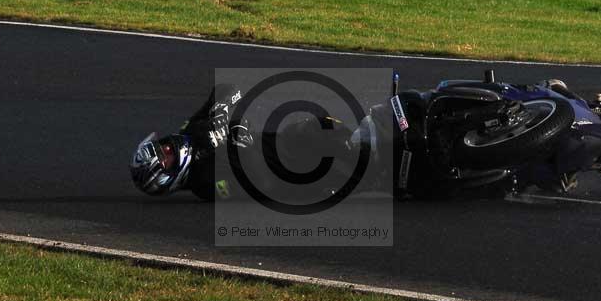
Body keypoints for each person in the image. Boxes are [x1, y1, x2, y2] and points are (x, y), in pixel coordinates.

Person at [130, 84, 453, 201]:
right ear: (167, 176)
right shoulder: (205, 185)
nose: (169, 146)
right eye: (167, 155)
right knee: (350, 162)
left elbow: (227, 89)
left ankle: (429, 112)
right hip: (298, 176)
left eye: (164, 146)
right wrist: (233, 144)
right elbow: (253, 183)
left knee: (345, 122)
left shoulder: (191, 130)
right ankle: (417, 176)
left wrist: (219, 116)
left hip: (291, 137)